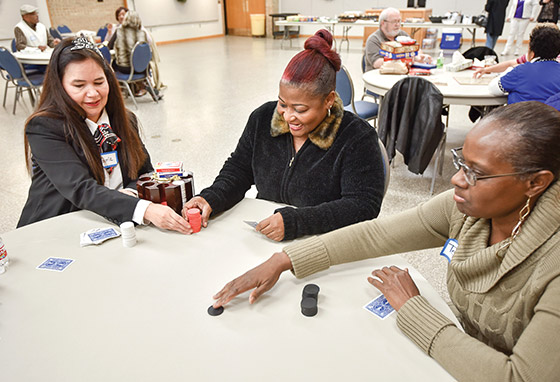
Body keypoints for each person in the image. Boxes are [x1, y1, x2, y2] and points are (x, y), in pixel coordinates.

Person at [212, 101, 560, 381]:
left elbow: (519, 376)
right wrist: (283, 260)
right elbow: (378, 234)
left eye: (476, 172)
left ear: (536, 182)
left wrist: (411, 307)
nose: (456, 179)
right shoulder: (469, 210)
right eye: (461, 163)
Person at [184, 30, 385, 242]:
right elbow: (240, 168)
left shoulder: (356, 137)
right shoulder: (262, 119)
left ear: (328, 100)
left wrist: (297, 222)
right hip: (266, 235)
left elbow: (363, 205)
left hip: (323, 244)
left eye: (300, 109)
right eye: (283, 103)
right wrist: (211, 198)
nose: (288, 117)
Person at [17, 37, 190, 235]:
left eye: (99, 82)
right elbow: (81, 188)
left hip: (111, 225)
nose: (93, 93)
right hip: (56, 228)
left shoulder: (125, 119)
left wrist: (130, 194)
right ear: (61, 87)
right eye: (79, 85)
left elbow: (143, 172)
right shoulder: (45, 127)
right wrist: (145, 209)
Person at [489, 24, 560, 103]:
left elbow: (494, 89)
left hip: (520, 114)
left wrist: (510, 69)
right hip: (552, 114)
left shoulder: (521, 70)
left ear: (531, 49)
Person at [364, 7, 432, 71]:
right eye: (394, 22)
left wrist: (420, 57)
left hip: (400, 75)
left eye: (399, 21)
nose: (397, 25)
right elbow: (377, 63)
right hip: (379, 78)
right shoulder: (373, 39)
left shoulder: (402, 34)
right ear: (383, 23)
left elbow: (416, 48)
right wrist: (405, 59)